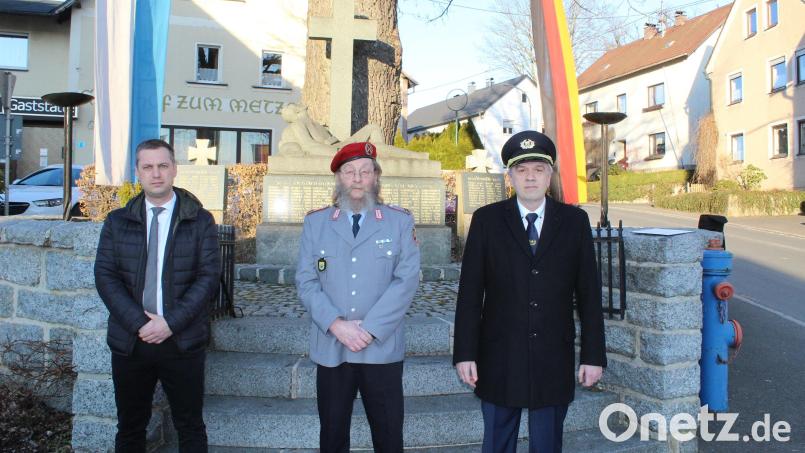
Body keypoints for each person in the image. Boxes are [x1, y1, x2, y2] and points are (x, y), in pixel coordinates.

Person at [453, 131, 606, 453]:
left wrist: (593, 356)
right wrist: (465, 353)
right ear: (510, 176)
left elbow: (589, 295)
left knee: (548, 444)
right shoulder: (487, 221)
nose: (531, 177)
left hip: (553, 356)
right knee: (497, 442)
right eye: (522, 170)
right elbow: (469, 294)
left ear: (550, 174)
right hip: (499, 356)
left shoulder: (574, 222)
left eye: (538, 169)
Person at [94, 139, 221, 452]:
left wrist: (170, 323)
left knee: (190, 427)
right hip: (131, 342)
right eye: (148, 167)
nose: (156, 174)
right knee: (130, 428)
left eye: (163, 165)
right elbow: (106, 277)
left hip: (182, 341)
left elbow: (208, 278)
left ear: (175, 169)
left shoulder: (200, 221)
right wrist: (140, 323)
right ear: (138, 172)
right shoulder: (117, 221)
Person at [295, 141, 420, 452]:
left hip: (381, 347)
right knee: (333, 436)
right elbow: (306, 280)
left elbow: (407, 280)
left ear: (376, 177)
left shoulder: (399, 221)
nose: (357, 178)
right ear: (338, 178)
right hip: (332, 347)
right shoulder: (316, 222)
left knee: (389, 435)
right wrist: (337, 324)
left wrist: (369, 329)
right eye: (349, 171)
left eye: (365, 171)